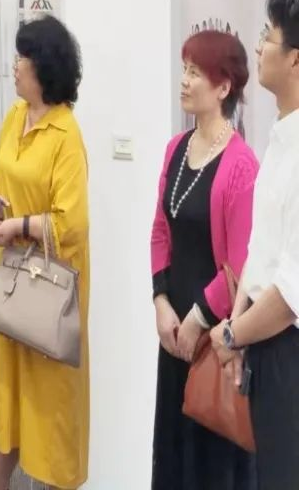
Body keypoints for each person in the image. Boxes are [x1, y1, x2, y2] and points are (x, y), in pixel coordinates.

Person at [0, 15, 89, 490]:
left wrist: (19, 226)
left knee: (50, 392)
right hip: (13, 275)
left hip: (50, 285)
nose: (15, 65)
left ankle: (55, 482)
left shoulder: (66, 134)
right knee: (9, 380)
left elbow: (70, 223)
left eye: (23, 57)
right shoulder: (14, 116)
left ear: (43, 67)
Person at [150, 30, 257, 490]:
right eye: (185, 69)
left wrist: (196, 319)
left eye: (195, 72)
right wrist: (160, 302)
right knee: (172, 456)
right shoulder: (175, 147)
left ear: (223, 87)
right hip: (173, 332)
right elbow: (160, 230)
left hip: (212, 339)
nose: (184, 80)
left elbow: (239, 267)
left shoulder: (241, 164)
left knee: (209, 465)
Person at [210, 0, 299, 490]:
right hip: (261, 341)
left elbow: (289, 295)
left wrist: (231, 335)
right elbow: (258, 250)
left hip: (287, 349)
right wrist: (238, 325)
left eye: (269, 35)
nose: (259, 45)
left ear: (295, 59)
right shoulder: (280, 135)